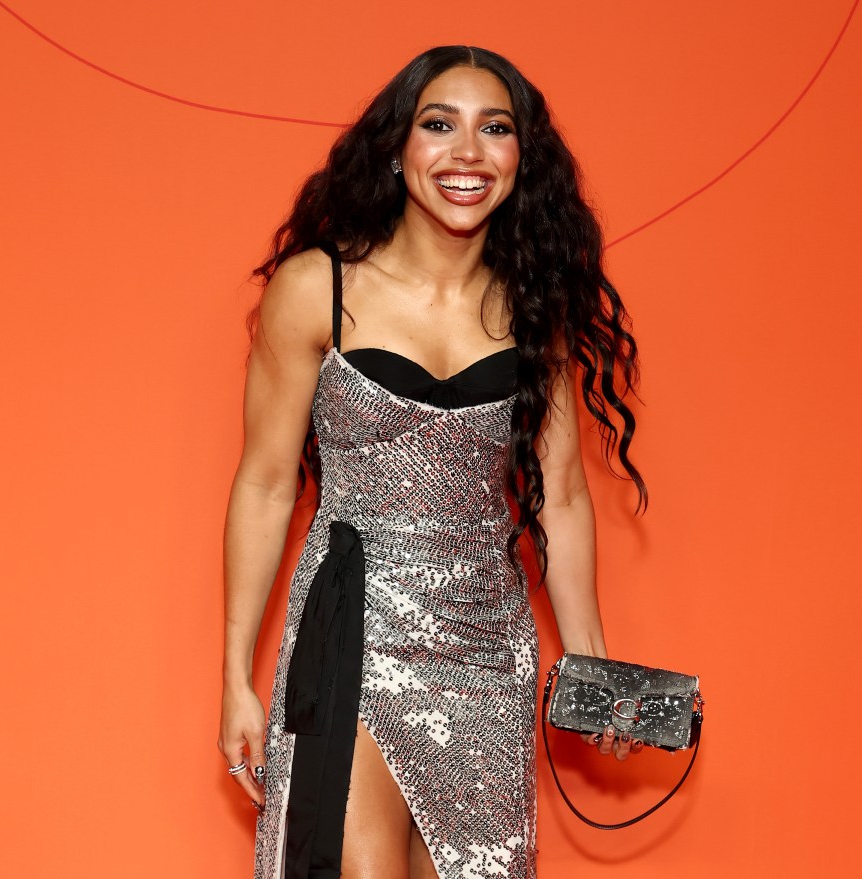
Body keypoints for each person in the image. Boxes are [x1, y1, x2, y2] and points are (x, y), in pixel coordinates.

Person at [218, 45, 647, 879]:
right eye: (440, 125)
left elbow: (561, 497)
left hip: (486, 648)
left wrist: (592, 663)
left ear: (522, 159)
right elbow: (265, 484)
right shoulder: (318, 287)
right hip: (353, 628)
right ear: (397, 147)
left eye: (496, 129)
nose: (468, 152)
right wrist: (235, 675)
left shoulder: (537, 309)